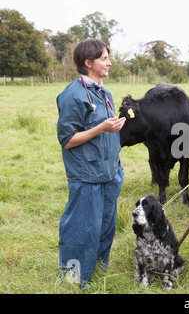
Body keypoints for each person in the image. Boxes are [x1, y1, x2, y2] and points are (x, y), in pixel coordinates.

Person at [56, 39, 126, 289]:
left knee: (106, 227)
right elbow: (67, 140)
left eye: (108, 57)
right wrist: (101, 128)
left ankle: (97, 271)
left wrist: (114, 128)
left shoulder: (105, 93)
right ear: (88, 63)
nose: (109, 63)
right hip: (86, 176)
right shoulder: (72, 95)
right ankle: (74, 279)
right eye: (104, 59)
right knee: (81, 230)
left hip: (109, 174)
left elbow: (105, 132)